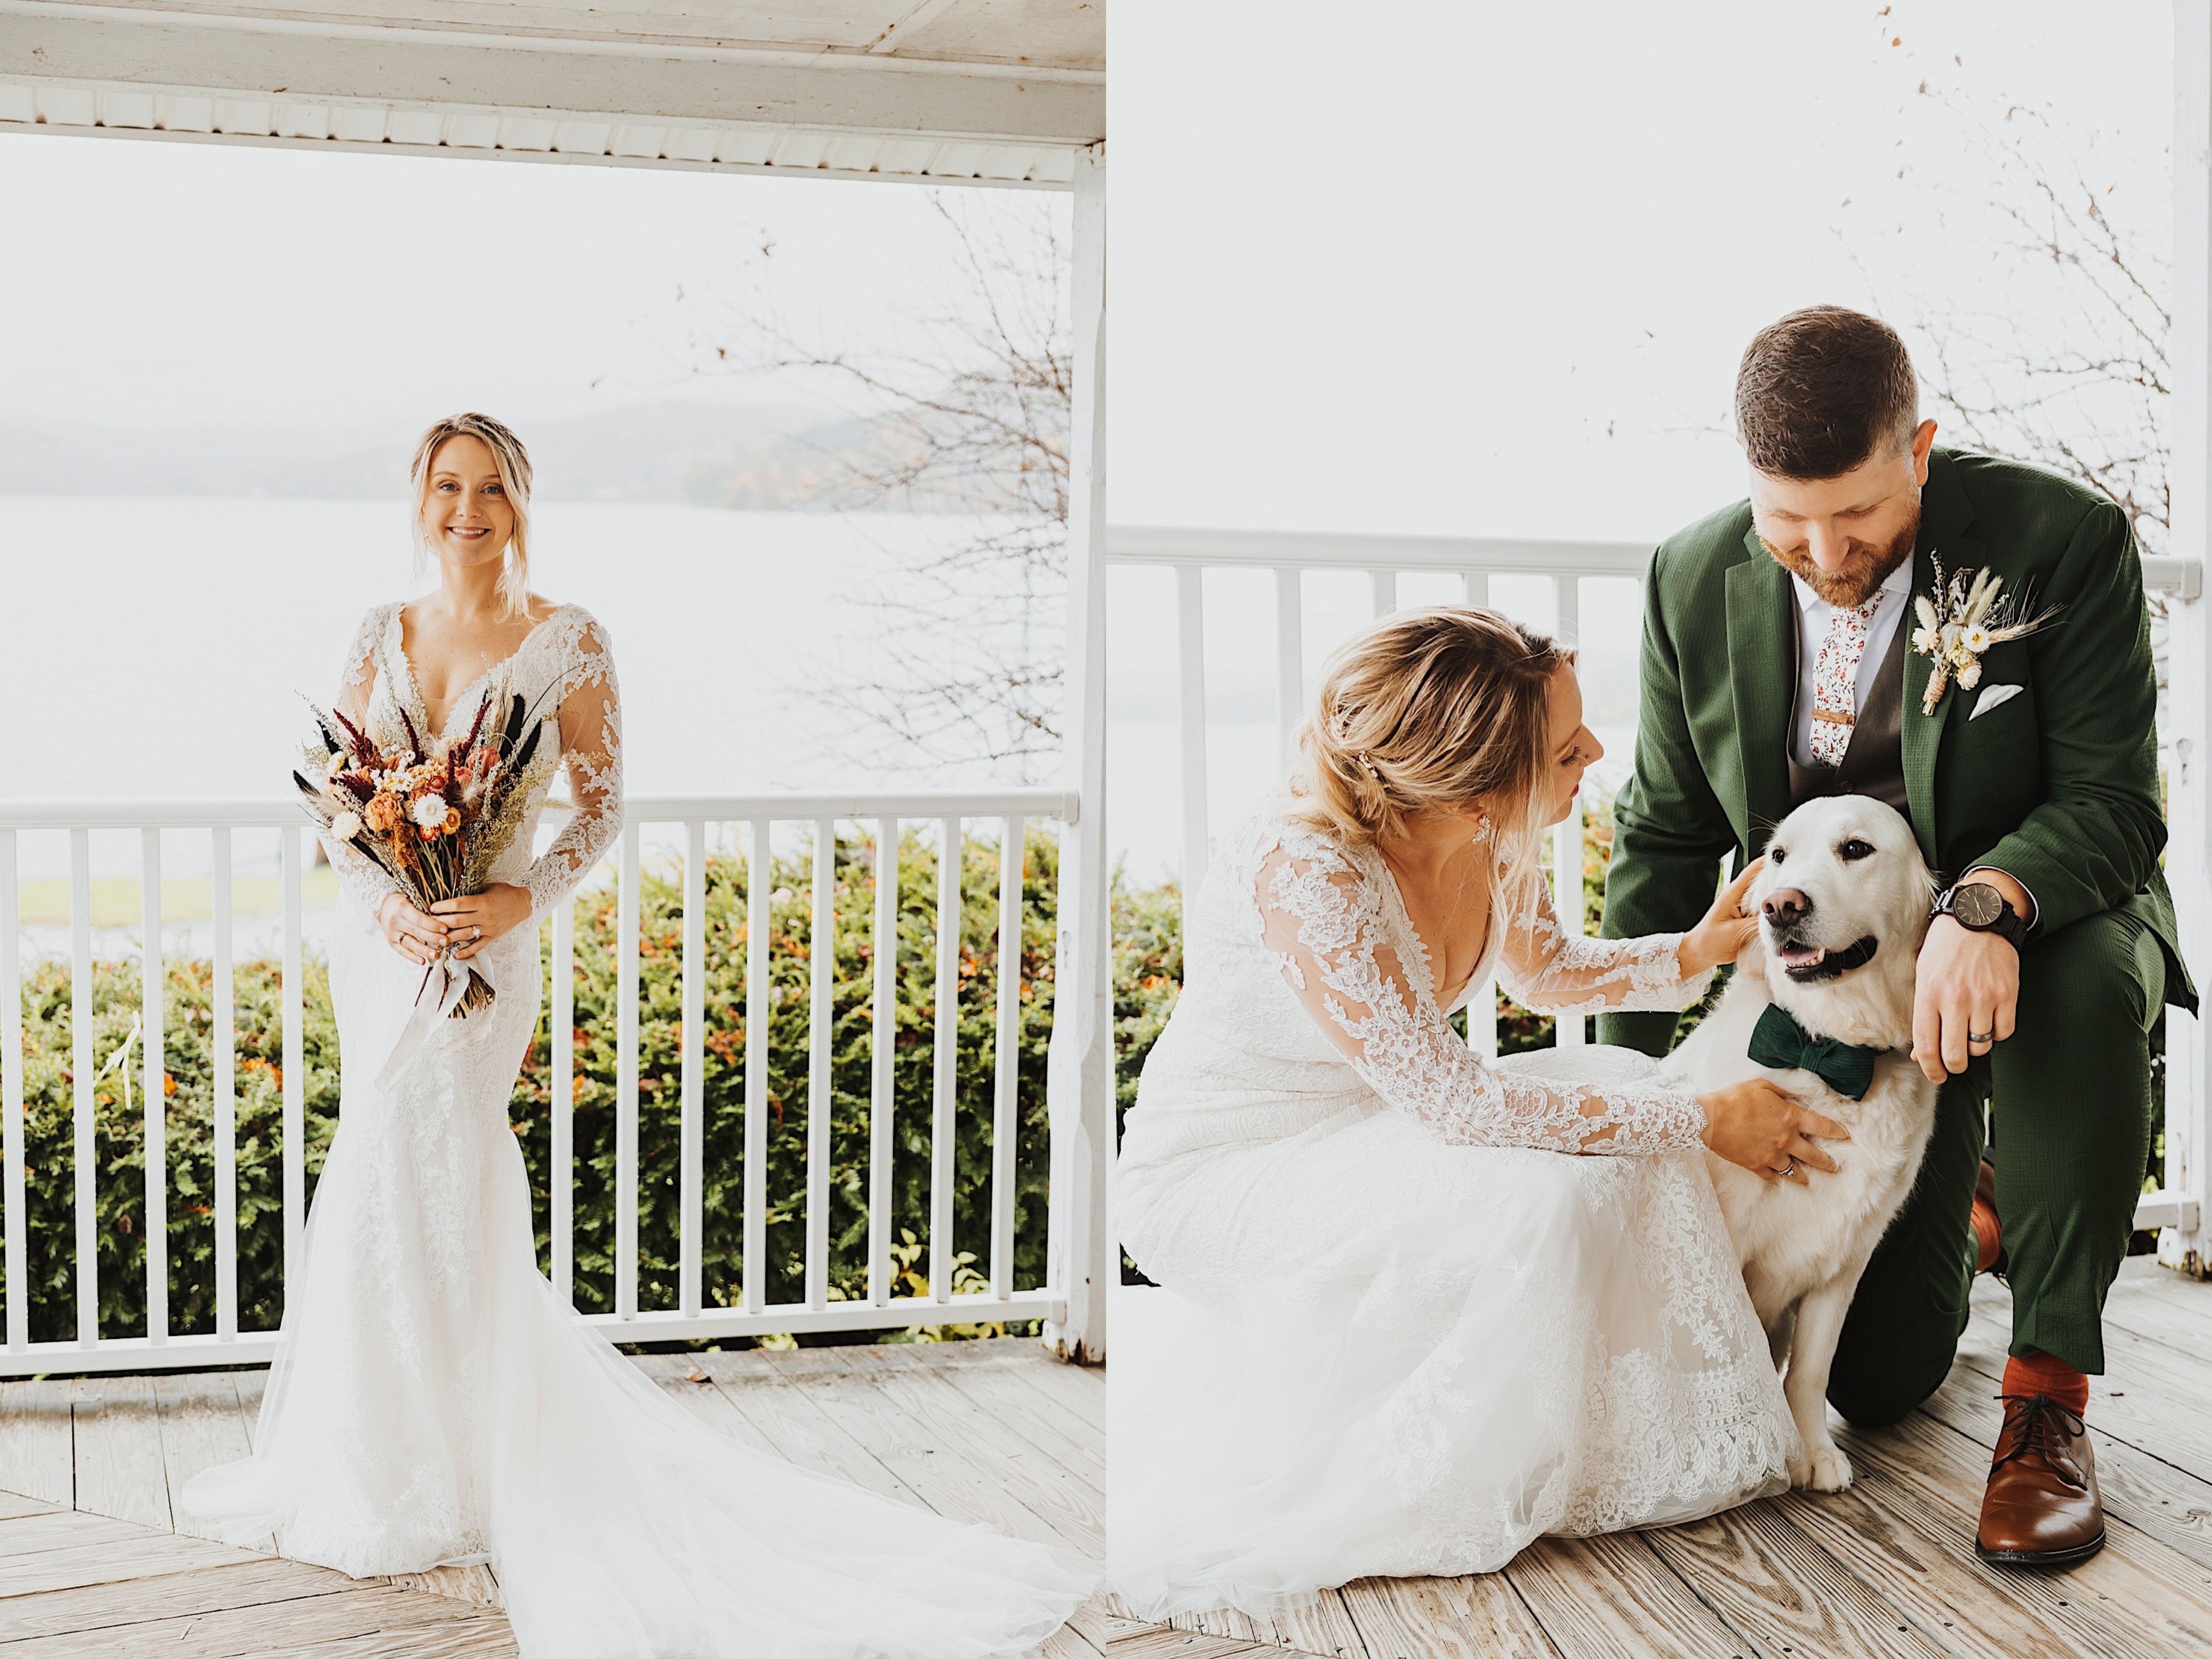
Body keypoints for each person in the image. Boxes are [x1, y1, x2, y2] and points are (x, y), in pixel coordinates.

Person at [180, 413, 1094, 1656]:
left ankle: (471, 1457)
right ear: (418, 498)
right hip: (388, 951)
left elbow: (602, 808)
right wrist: (389, 903)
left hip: (488, 950)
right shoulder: (375, 634)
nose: (467, 507)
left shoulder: (569, 639)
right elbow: (343, 813)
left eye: (489, 486)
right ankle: (387, 1452)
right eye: (446, 486)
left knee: (438, 1161)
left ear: (520, 497)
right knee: (380, 1169)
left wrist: (513, 897)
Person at [1600, 306, 2196, 1567]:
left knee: (2084, 985)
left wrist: (1982, 904)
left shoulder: (2062, 542)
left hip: (2043, 923)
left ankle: (2046, 1402)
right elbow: (1660, 840)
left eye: (1858, 515)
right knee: (1878, 1377)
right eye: (1786, 521)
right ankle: (1991, 1199)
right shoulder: (1688, 577)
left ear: (1918, 449)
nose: (1823, 552)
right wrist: (1633, 1103)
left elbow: (2114, 803)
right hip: (1845, 1003)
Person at [1111, 606, 1841, 1619]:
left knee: (1636, 1091)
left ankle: (1619, 1435)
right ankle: (1491, 1462)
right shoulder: (1306, 868)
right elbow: (1457, 1100)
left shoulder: (1488, 830)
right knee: (1570, 1180)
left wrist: (1697, 950)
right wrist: (1710, 1119)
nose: (1595, 750)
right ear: (1475, 783)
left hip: (1380, 1125)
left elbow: (1542, 970)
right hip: (1230, 1169)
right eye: (1566, 745)